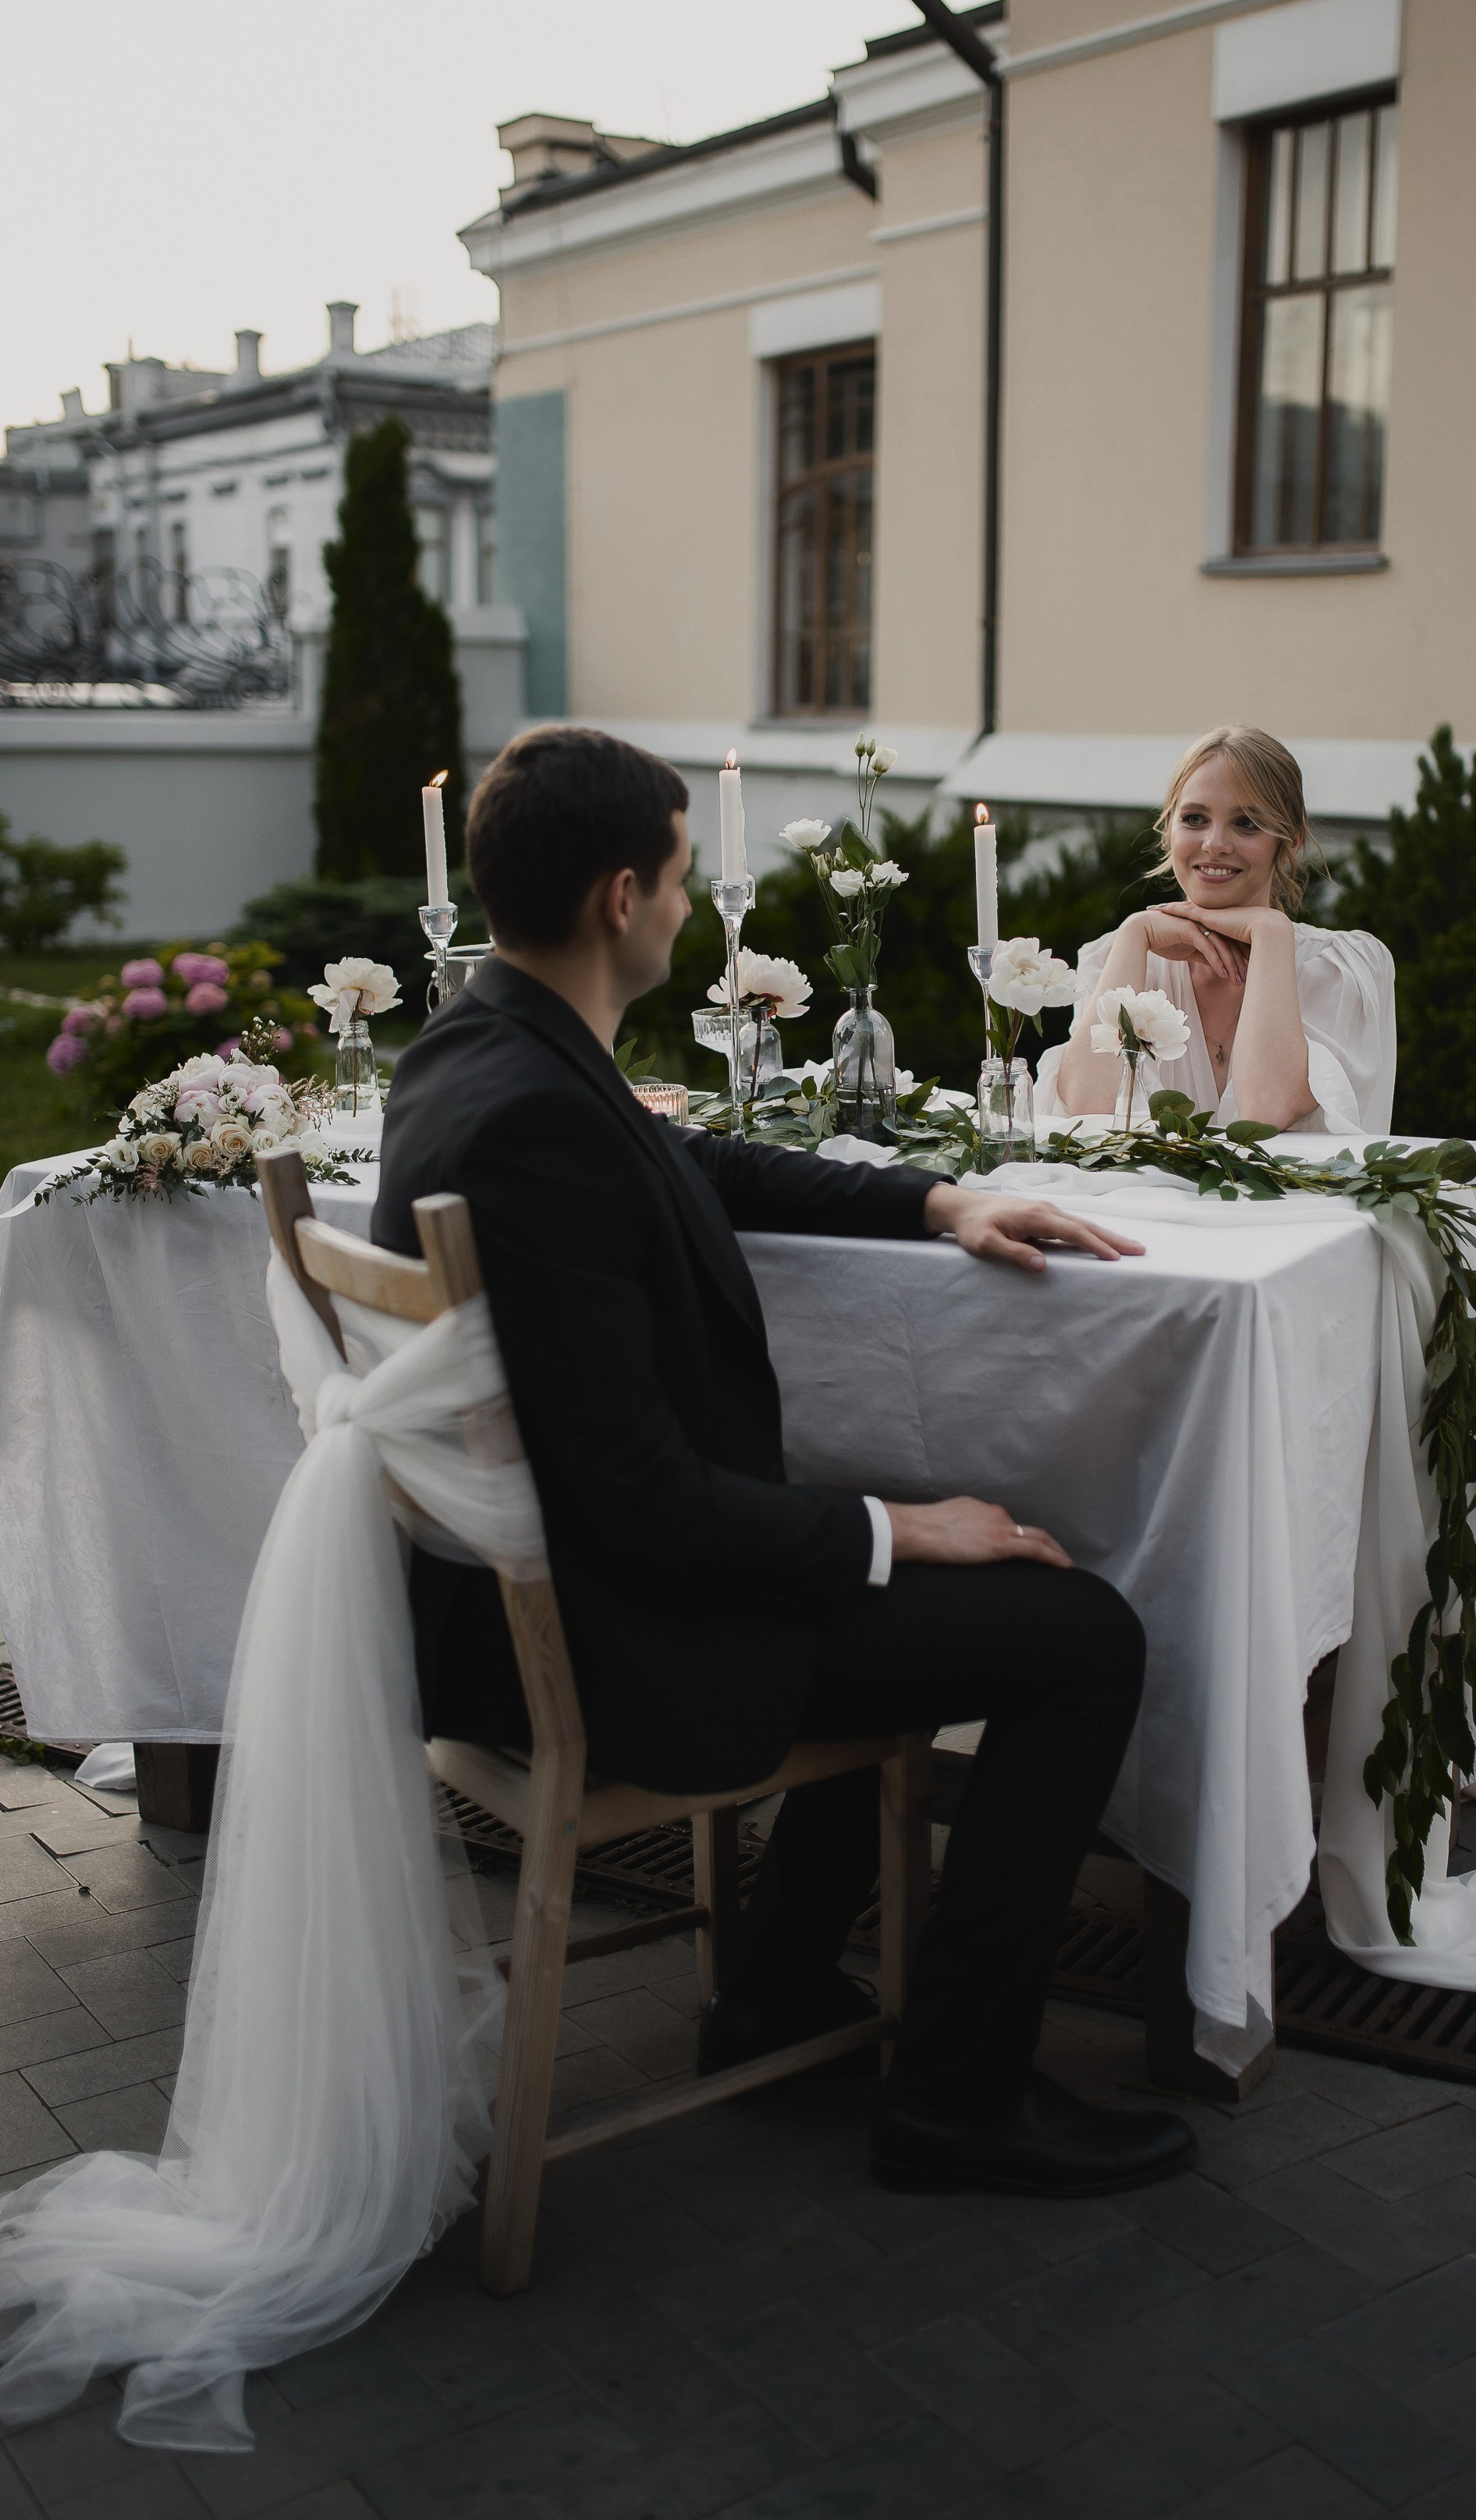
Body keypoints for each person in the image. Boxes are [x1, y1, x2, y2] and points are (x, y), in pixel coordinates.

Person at [373, 725, 1194, 2199]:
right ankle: (957, 2097)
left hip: (532, 1596)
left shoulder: (479, 1045)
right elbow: (644, 1505)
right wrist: (897, 1529)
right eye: (683, 876)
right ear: (622, 896)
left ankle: (773, 1989)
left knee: (910, 1579)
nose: (691, 906)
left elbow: (692, 1162)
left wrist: (940, 1202)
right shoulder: (531, 1120)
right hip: (609, 1645)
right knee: (1079, 1636)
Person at [1038, 724, 1395, 1136]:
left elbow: (1264, 1112)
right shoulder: (1115, 958)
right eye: (1194, 819)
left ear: (1290, 841)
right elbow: (1089, 1106)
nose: (1215, 843)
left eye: (1247, 823)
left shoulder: (1343, 969)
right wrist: (1134, 933)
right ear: (1168, 828)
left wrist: (1270, 932)